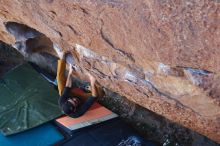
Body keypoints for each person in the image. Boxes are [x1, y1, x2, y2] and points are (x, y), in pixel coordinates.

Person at [57, 52, 103, 118]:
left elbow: (67, 86)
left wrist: (70, 73)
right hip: (81, 101)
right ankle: (89, 87)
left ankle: (62, 58)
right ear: (75, 108)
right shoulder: (78, 112)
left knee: (59, 79)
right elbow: (94, 96)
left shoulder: (62, 100)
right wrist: (92, 82)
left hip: (69, 95)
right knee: (100, 93)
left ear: (67, 100)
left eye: (72, 100)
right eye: (75, 102)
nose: (75, 99)